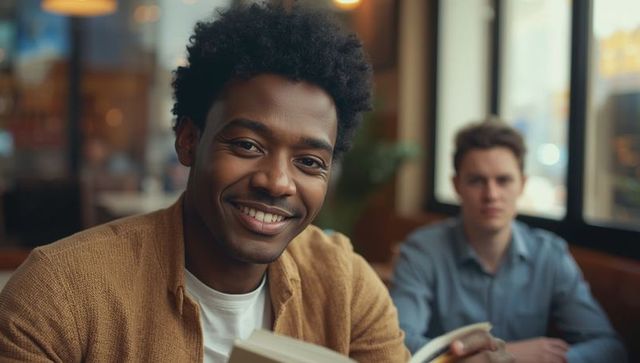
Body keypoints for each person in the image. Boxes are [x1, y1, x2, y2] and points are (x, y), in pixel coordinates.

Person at [0, 4, 512, 363]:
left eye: (310, 162)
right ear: (188, 140)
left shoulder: (347, 287)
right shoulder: (59, 292)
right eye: (247, 145)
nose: (277, 182)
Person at [390, 119, 627, 362]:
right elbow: (398, 341)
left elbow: (609, 348)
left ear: (522, 184)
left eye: (503, 180)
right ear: (456, 185)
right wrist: (505, 355)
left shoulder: (550, 254)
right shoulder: (421, 250)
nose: (491, 195)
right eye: (476, 181)